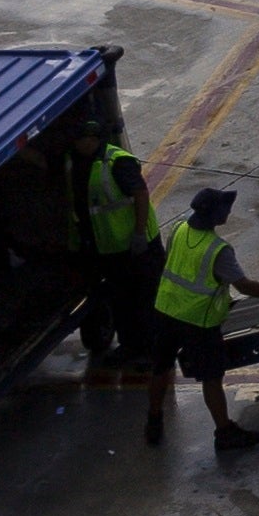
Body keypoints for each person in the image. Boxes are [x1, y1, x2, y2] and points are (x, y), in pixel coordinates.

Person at [153, 182, 259, 449]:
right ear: (215, 215)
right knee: (211, 378)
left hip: (166, 310)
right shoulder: (218, 250)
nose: (228, 211)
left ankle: (154, 420)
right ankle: (224, 432)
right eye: (224, 208)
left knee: (160, 368)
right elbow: (246, 287)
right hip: (198, 322)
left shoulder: (179, 229)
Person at [78, 129, 164, 419]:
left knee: (146, 299)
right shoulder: (84, 162)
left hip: (139, 247)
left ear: (92, 139)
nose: (78, 145)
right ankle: (130, 346)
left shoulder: (117, 162)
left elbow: (140, 194)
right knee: (122, 301)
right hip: (112, 249)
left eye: (81, 140)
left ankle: (152, 352)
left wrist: (139, 233)